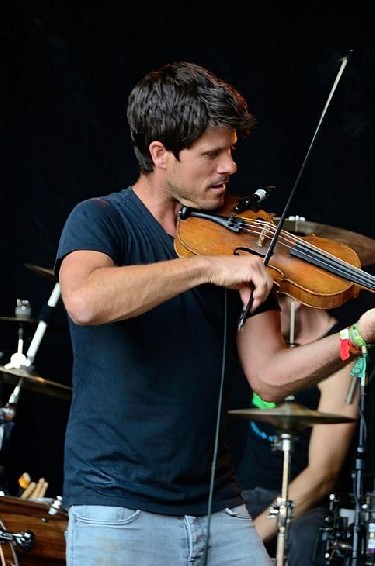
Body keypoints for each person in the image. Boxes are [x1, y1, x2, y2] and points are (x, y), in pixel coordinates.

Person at [54, 61, 375, 566]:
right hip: (117, 507)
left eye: (231, 150)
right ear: (160, 154)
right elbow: (86, 301)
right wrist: (205, 269)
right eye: (212, 154)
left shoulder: (239, 245)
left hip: (220, 508)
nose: (230, 166)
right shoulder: (101, 219)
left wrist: (358, 336)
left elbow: (269, 378)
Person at [229, 294, 360, 565]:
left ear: (294, 300)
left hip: (304, 504)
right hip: (246, 490)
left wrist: (252, 535)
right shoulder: (263, 344)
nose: (258, 321)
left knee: (305, 540)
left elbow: (323, 474)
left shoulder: (339, 358)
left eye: (266, 308)